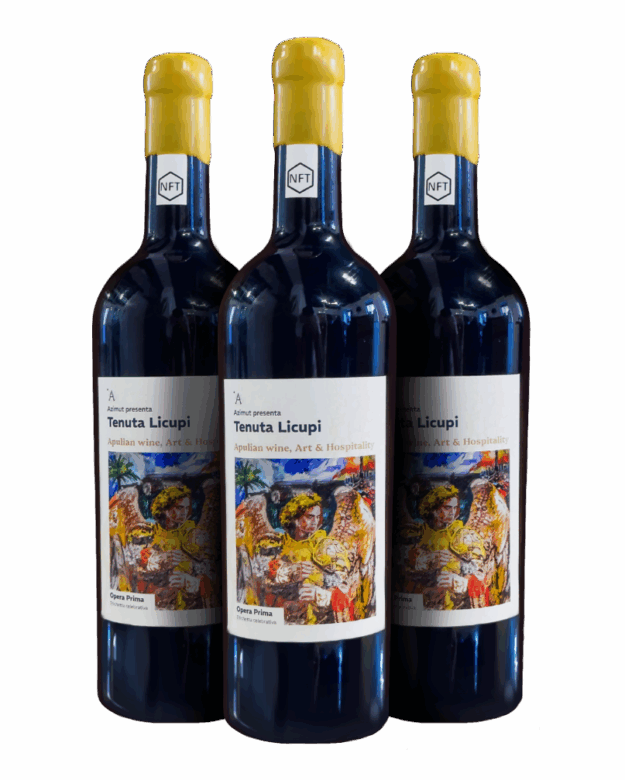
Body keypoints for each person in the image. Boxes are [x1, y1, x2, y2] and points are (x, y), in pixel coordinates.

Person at [260, 493, 354, 624]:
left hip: (318, 620)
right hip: (281, 619)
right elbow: (262, 579)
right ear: (295, 518)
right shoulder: (278, 545)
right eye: (310, 516)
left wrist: (319, 594)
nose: (315, 521)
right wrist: (290, 572)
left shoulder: (327, 546)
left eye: (318, 517)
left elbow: (344, 586)